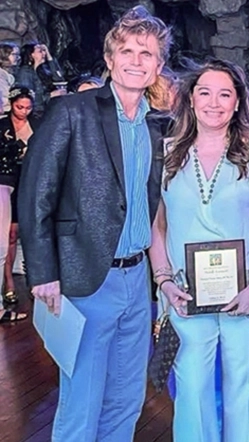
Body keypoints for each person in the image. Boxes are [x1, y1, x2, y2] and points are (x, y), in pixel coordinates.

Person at [18, 6, 168, 440]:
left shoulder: (156, 125)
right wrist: (42, 272)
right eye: (128, 50)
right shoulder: (72, 112)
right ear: (109, 58)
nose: (137, 60)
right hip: (84, 279)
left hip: (137, 281)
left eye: (147, 53)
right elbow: (35, 193)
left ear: (158, 65)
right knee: (82, 401)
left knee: (126, 400)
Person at [147, 58, 249, 441]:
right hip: (184, 289)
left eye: (225, 94)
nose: (214, 102)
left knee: (246, 383)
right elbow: (157, 224)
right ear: (190, 99)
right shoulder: (166, 151)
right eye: (205, 92)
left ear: (239, 102)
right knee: (190, 387)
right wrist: (164, 281)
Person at [0, 86, 34, 323]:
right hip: (5, 181)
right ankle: (8, 284)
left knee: (22, 233)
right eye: (19, 107)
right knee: (6, 239)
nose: (23, 111)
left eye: (28, 107)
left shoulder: (38, 124)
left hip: (27, 181)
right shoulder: (2, 126)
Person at [15, 42, 64, 117]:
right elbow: (27, 97)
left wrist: (49, 57)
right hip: (36, 114)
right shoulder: (25, 73)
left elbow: (60, 79)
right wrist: (50, 95)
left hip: (48, 108)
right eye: (40, 51)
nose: (44, 53)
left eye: (44, 51)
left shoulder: (41, 70)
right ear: (31, 55)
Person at [0, 43, 16, 113]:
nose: (17, 57)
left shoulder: (9, 72)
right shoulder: (1, 75)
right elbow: (5, 95)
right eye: (13, 54)